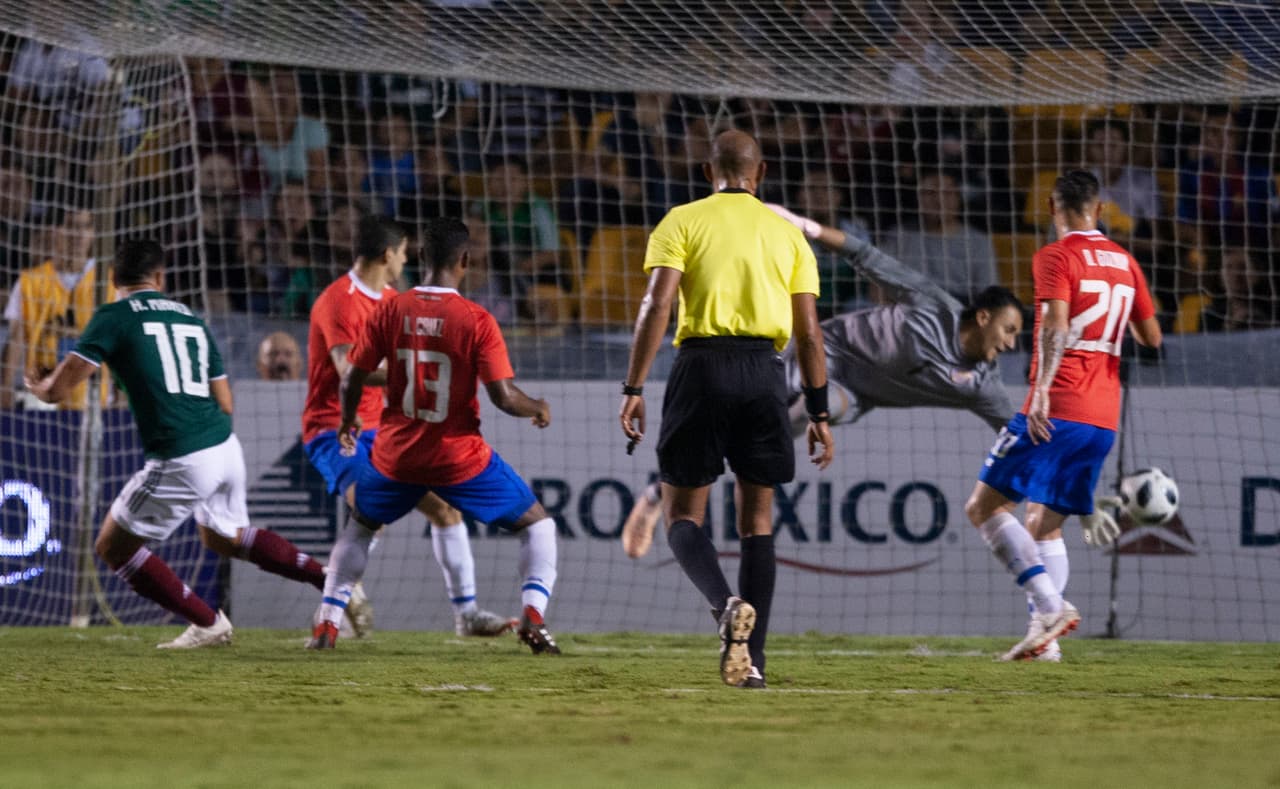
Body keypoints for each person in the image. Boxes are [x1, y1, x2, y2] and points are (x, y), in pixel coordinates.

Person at [24, 239, 335, 648]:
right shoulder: (192, 319)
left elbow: (57, 391)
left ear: (113, 278)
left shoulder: (113, 316)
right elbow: (226, 401)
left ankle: (208, 622)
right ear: (161, 277)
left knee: (113, 546)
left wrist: (41, 385)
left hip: (182, 455)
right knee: (224, 538)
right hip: (225, 447)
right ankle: (331, 580)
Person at [618, 130, 834, 690]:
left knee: (682, 516)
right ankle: (752, 663)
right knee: (757, 521)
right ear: (761, 172)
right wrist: (818, 412)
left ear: (705, 172)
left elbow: (657, 304)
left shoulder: (682, 220)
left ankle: (724, 606)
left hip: (702, 368)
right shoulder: (787, 235)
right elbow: (810, 334)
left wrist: (634, 386)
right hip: (765, 372)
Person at [308, 217, 555, 651]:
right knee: (539, 526)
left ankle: (327, 624)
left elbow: (351, 378)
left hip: (395, 454)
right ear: (466, 260)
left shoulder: (390, 308)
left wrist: (348, 419)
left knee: (360, 526)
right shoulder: (477, 319)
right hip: (456, 457)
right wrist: (537, 407)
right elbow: (503, 397)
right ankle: (533, 618)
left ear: (421, 256)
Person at [963, 170, 1161, 662]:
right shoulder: (1126, 261)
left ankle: (1051, 608)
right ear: (1100, 208)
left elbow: (1055, 325)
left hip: (1060, 404)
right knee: (1044, 524)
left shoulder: (1055, 256)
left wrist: (1042, 392)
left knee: (983, 508)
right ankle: (1045, 641)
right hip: (1103, 417)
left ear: (1053, 207)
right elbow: (1151, 338)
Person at [1, 200, 109, 409]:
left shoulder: (108, 282)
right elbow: (15, 338)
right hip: (41, 398)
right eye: (71, 225)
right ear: (54, 231)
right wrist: (4, 387)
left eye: (85, 226)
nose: (78, 234)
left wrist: (122, 394)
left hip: (94, 399)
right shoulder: (30, 281)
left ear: (93, 233)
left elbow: (123, 344)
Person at [880, 169, 997, 304]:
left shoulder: (978, 242)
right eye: (930, 193)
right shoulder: (898, 236)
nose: (939, 200)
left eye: (947, 193)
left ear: (958, 198)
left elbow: (988, 296)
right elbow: (878, 286)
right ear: (917, 198)